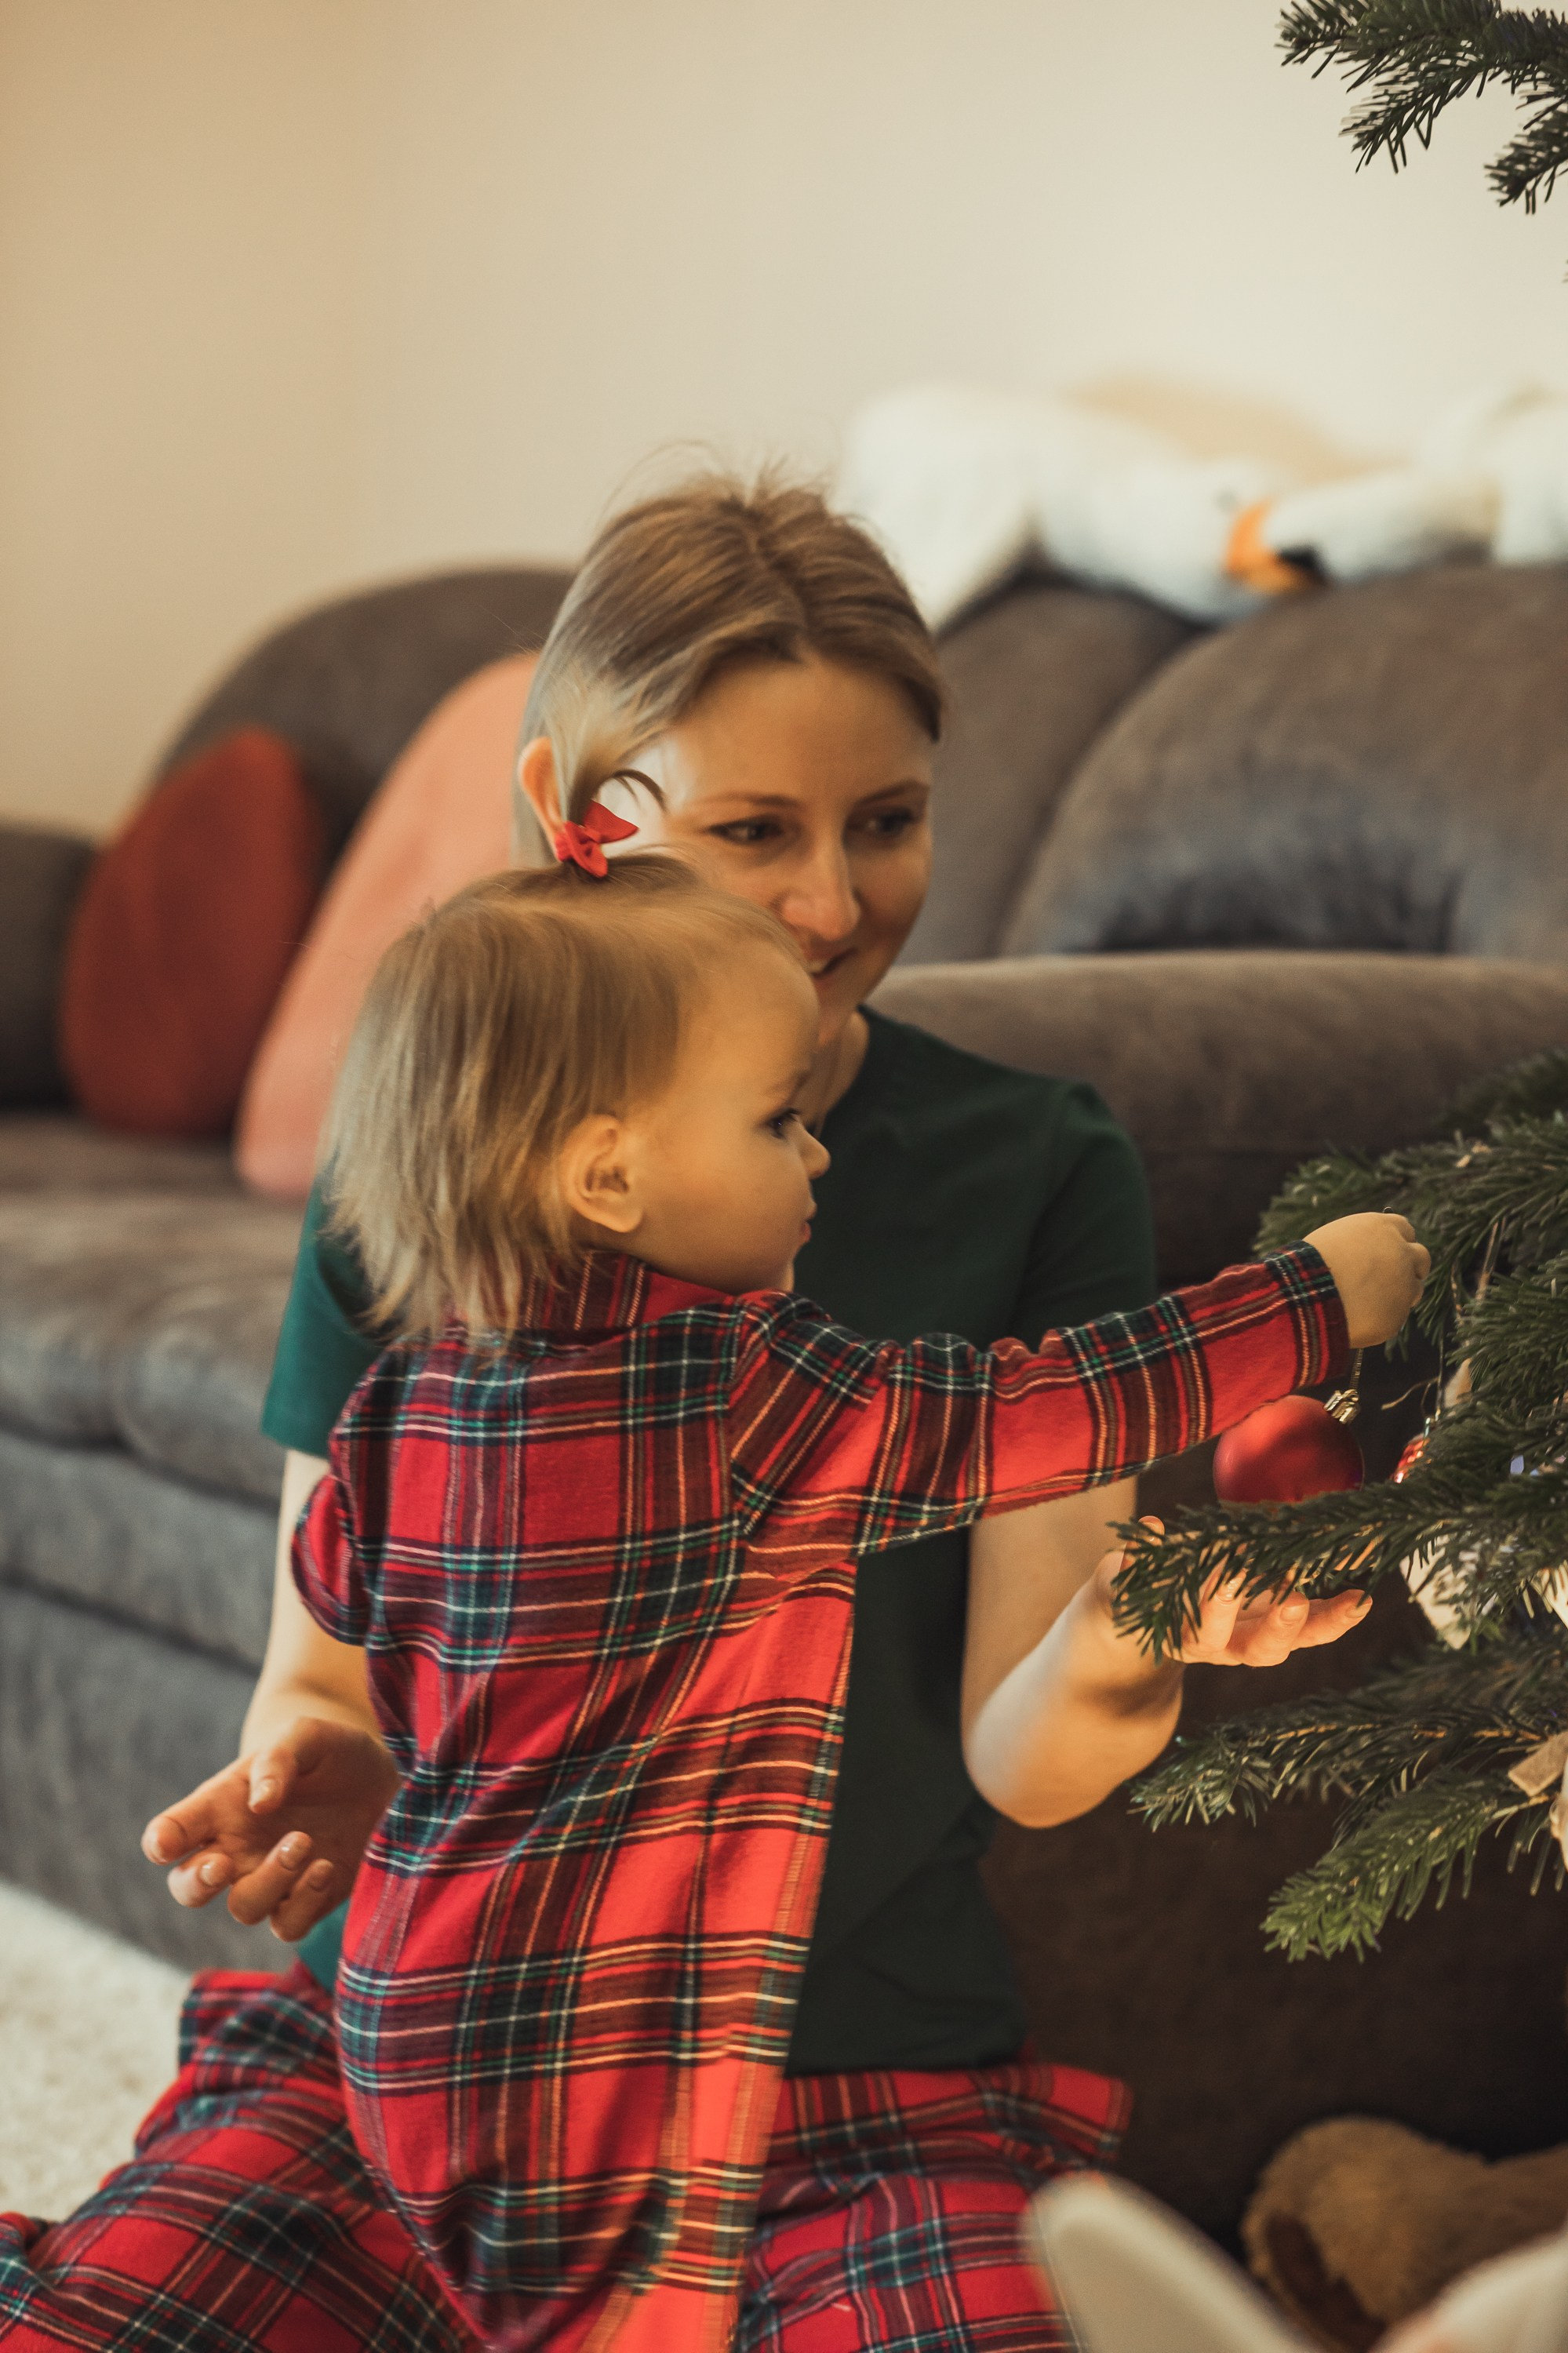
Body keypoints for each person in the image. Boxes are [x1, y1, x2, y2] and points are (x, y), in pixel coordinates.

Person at [0, 478, 1422, 2353]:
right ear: (570, 816)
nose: (833, 904)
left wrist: (1129, 1635)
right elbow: (325, 1656)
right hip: (418, 2083)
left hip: (840, 2096)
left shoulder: (1028, 1166)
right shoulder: (422, 1161)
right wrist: (323, 1759)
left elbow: (1026, 1750)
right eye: (755, 831)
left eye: (887, 822)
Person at [286, 843, 1422, 2353]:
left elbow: (338, 1586)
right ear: (608, 1173)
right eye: (778, 1123)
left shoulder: (403, 1402)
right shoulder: (749, 1391)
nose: (819, 1156)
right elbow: (1048, 1407)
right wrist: (1314, 1303)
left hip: (405, 2008)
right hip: (608, 2054)